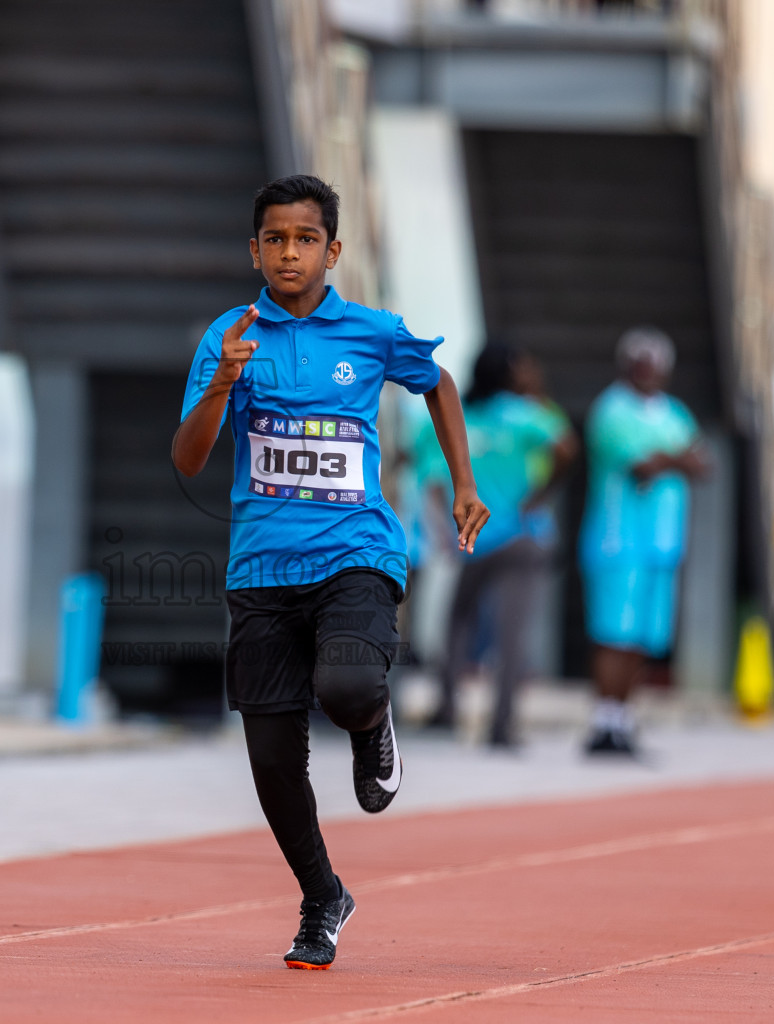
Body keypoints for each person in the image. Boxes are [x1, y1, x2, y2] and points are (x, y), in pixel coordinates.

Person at [173, 174, 487, 969]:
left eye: (304, 239)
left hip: (357, 551)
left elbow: (438, 383)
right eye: (274, 239)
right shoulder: (230, 335)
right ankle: (323, 898)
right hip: (262, 569)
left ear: (331, 250)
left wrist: (465, 484)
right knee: (273, 759)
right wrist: (222, 381)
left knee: (348, 685)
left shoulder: (372, 332)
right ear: (254, 249)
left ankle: (374, 727)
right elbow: (189, 457)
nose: (289, 252)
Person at [424, 344, 577, 747]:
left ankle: (446, 708)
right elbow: (566, 446)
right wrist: (541, 495)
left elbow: (436, 479)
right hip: (523, 534)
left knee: (459, 621)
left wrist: (442, 528)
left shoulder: (464, 417)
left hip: (475, 534)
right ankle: (501, 725)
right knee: (512, 634)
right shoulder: (527, 412)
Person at [577, 327, 707, 756]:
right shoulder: (612, 410)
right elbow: (641, 466)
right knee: (614, 634)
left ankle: (624, 720)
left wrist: (671, 459)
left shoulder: (674, 412)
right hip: (619, 541)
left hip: (662, 544)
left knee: (643, 639)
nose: (649, 372)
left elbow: (703, 463)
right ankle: (602, 721)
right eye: (642, 363)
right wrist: (677, 459)